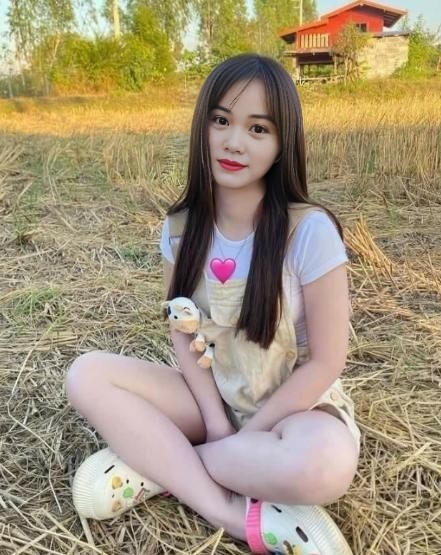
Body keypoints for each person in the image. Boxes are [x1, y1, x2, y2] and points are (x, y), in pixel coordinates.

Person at [66, 53, 361, 554]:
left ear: (282, 143)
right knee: (86, 375)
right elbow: (180, 329)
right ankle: (229, 511)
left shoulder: (309, 231)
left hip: (293, 411)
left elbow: (327, 363)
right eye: (221, 120)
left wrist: (249, 436)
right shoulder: (181, 228)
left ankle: (159, 467)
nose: (234, 141)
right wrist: (218, 422)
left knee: (324, 465)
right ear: (202, 125)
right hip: (213, 399)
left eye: (258, 128)